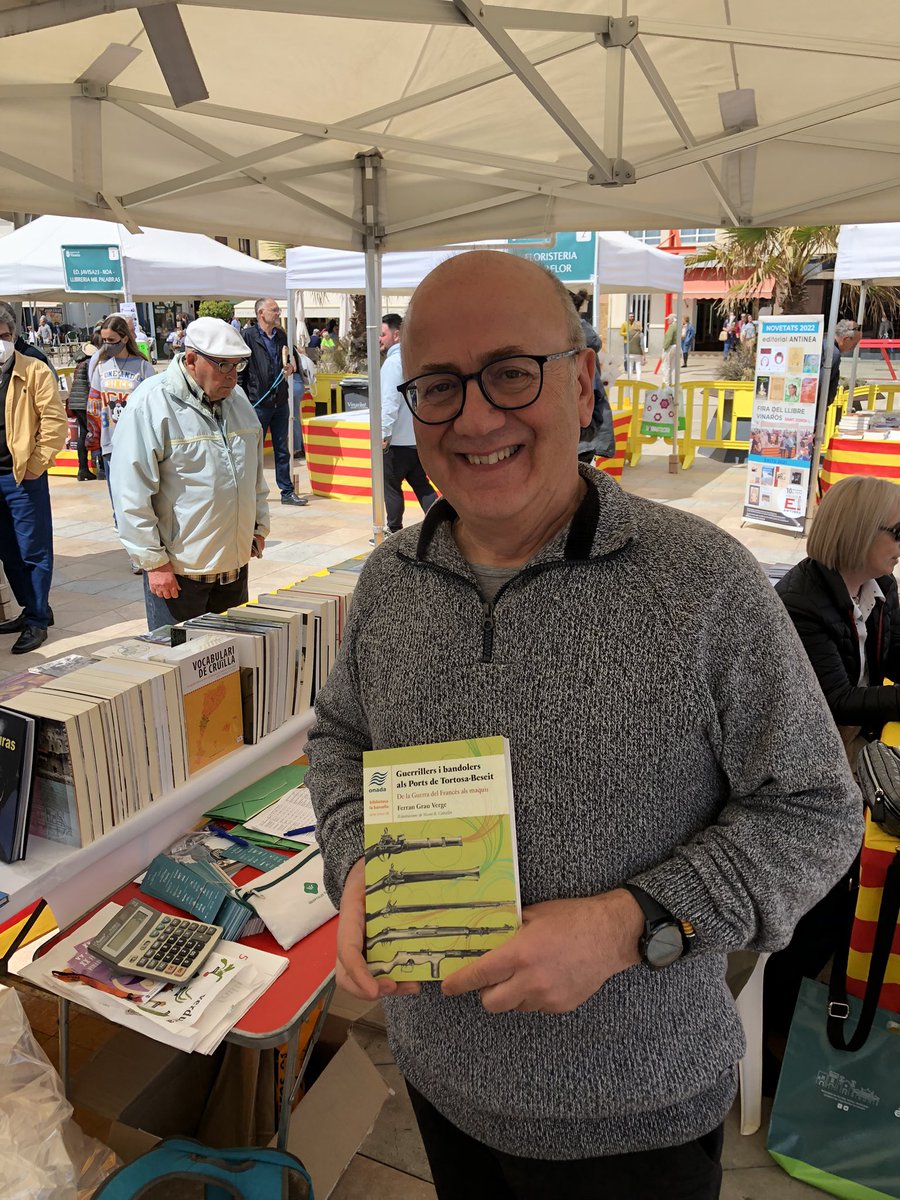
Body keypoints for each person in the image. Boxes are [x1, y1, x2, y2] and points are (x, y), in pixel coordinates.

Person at [305, 250, 861, 1200]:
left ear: (583, 380)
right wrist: (356, 856)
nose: (475, 417)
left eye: (511, 372)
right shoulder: (391, 580)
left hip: (637, 1120)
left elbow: (815, 810)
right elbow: (337, 741)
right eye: (438, 386)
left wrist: (624, 927)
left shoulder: (704, 582)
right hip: (439, 1083)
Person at [110, 317, 270, 629]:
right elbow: (131, 491)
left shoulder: (239, 401)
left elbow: (253, 474)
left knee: (232, 654)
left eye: (237, 365)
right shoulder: (151, 403)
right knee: (180, 656)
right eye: (223, 365)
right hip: (180, 575)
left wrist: (259, 526)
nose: (232, 375)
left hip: (233, 569)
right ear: (192, 359)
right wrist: (153, 562)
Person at [0, 301, 66, 653]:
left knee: (33, 549)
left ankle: (38, 620)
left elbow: (54, 423)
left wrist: (36, 465)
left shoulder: (34, 370)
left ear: (14, 336)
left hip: (22, 476)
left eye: (4, 336)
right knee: (8, 550)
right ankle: (32, 608)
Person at [89, 315, 155, 534]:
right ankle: (123, 530)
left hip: (137, 441)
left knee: (139, 492)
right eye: (104, 340)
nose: (107, 345)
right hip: (110, 442)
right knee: (116, 492)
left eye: (112, 340)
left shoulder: (143, 367)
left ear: (125, 339)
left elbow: (153, 404)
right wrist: (94, 439)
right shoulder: (100, 368)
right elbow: (94, 406)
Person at [241, 298, 308, 507]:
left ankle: (287, 491)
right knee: (253, 451)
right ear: (261, 313)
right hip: (257, 403)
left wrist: (290, 367)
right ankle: (249, 493)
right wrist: (243, 400)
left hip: (280, 402)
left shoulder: (281, 335)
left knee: (282, 449)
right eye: (274, 310)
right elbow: (241, 371)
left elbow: (293, 361)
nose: (278, 313)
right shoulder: (247, 336)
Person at [380, 313, 437, 533]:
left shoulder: (393, 363)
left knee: (391, 487)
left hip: (397, 441)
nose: (379, 339)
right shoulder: (416, 360)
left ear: (396, 335)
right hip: (415, 437)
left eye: (382, 334)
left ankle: (393, 529)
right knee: (422, 485)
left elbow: (389, 402)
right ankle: (441, 525)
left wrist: (383, 433)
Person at [66, 336, 100, 480]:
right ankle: (92, 467)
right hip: (84, 401)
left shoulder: (79, 364)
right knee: (92, 432)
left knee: (83, 434)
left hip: (75, 402)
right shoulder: (90, 364)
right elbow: (92, 383)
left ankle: (83, 468)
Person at [822, 318, 862, 408]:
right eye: (854, 344)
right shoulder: (833, 354)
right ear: (846, 339)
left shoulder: (824, 341)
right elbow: (822, 383)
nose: (853, 348)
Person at [619, 310, 643, 377]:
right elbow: (621, 332)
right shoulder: (624, 324)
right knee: (626, 356)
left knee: (634, 355)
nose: (632, 317)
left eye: (633, 316)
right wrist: (627, 334)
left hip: (634, 342)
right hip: (627, 342)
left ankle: (634, 369)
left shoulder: (635, 324)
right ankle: (626, 369)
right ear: (628, 317)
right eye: (631, 316)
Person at [662, 312, 678, 386]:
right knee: (673, 367)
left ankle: (666, 383)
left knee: (666, 366)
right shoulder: (678, 326)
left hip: (670, 347)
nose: (667, 321)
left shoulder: (672, 327)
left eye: (669, 319)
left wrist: (665, 347)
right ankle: (673, 383)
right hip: (676, 347)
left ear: (672, 319)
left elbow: (668, 338)